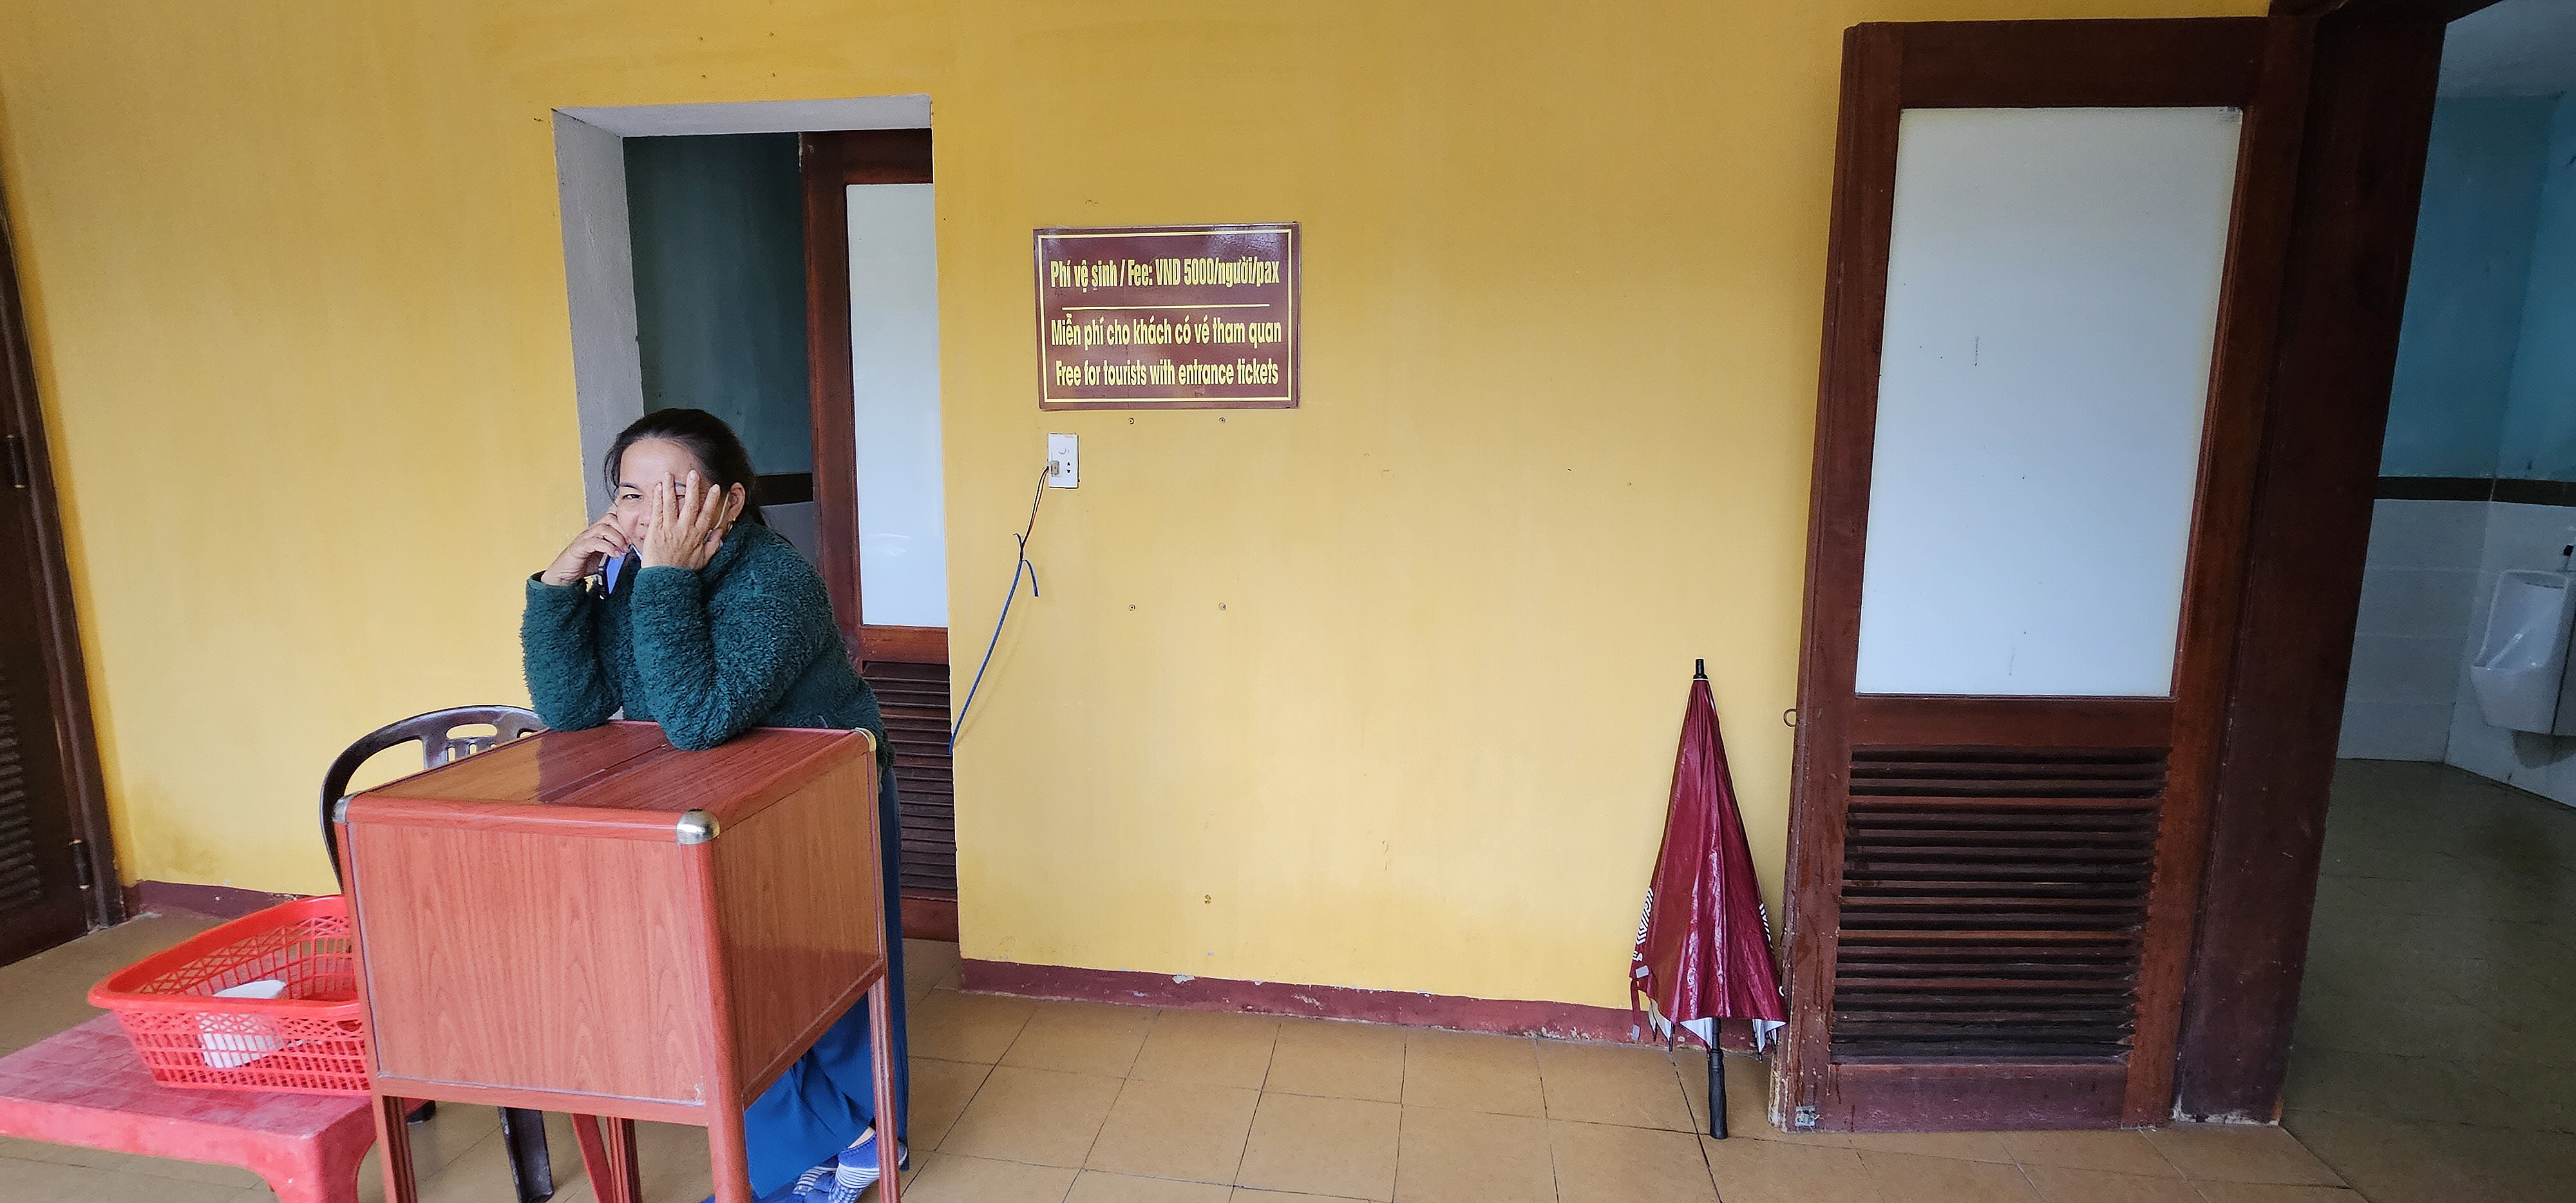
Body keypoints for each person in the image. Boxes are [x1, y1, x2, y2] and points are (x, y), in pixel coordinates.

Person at [522, 408, 908, 1202]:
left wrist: (664, 578)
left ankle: (868, 1136)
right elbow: (572, 708)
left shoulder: (774, 580)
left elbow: (698, 715)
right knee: (740, 987)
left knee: (829, 982)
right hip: (713, 804)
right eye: (631, 495)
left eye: (674, 494)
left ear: (730, 502)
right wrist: (560, 588)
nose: (648, 516)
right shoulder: (632, 574)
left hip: (822, 800)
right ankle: (828, 1146)